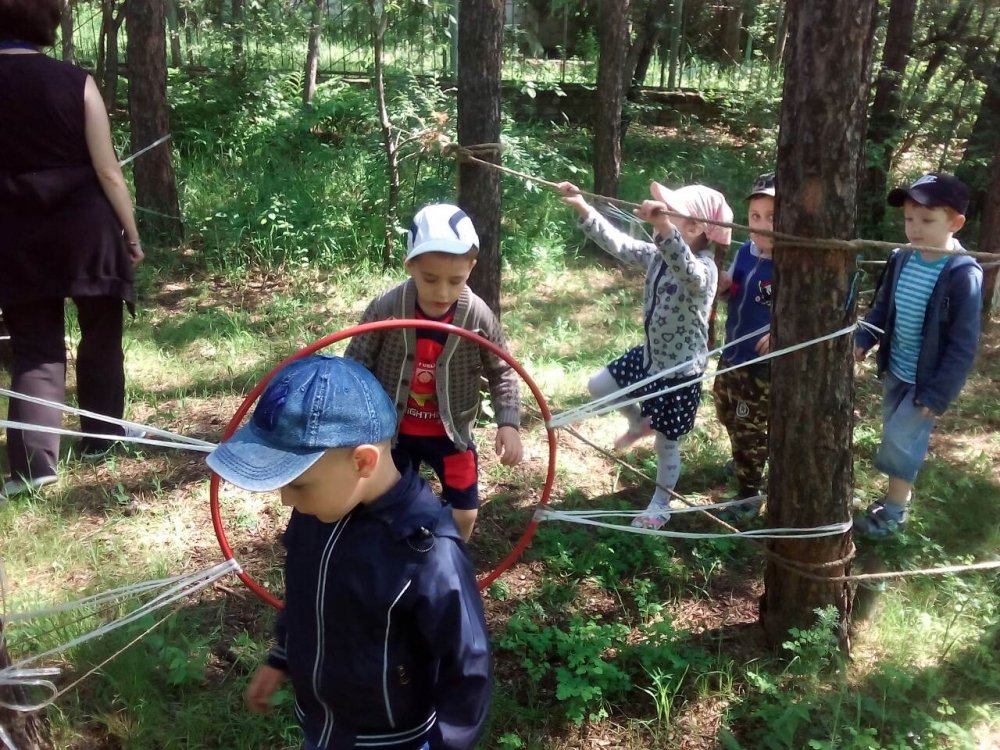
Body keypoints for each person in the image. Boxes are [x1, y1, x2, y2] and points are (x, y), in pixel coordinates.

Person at [207, 355, 492, 750]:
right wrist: (281, 658)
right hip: (322, 727)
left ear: (362, 461)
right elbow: (305, 593)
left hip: (393, 740)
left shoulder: (427, 552)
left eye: (299, 484)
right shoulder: (316, 513)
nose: (286, 497)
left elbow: (469, 663)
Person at [0, 0, 144, 499]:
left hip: (15, 234)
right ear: (47, 22)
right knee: (100, 334)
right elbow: (108, 170)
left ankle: (32, 467)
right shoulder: (74, 80)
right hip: (87, 229)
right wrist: (131, 232)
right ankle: (102, 437)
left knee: (35, 346)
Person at [345, 204, 523, 541]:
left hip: (451, 435)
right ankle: (391, 561)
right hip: (392, 433)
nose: (442, 292)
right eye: (430, 279)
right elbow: (356, 362)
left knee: (464, 510)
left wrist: (509, 423)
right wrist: (355, 420)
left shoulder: (477, 316)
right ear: (410, 265)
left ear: (471, 267)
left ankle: (451, 563)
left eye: (455, 280)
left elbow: (503, 371)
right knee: (383, 502)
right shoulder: (388, 307)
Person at [558, 180, 730, 529]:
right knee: (599, 386)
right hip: (651, 357)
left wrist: (664, 228)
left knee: (666, 445)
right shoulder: (656, 253)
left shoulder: (706, 271)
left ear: (695, 228)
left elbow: (687, 271)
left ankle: (661, 504)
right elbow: (618, 243)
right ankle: (639, 422)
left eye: (671, 212)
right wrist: (581, 206)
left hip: (680, 374)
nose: (660, 215)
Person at [854, 173, 982, 537]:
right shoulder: (901, 258)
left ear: (955, 223)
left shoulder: (962, 273)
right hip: (897, 370)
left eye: (927, 220)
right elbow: (883, 307)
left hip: (926, 381)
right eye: (910, 219)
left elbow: (963, 342)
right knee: (897, 436)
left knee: (899, 440)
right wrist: (865, 336)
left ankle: (893, 513)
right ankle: (895, 499)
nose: (915, 229)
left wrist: (940, 392)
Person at [712, 172, 775, 521]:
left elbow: (803, 311)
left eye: (772, 218)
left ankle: (749, 492)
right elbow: (733, 294)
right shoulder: (745, 253)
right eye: (755, 217)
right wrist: (723, 288)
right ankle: (743, 457)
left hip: (761, 364)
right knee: (724, 408)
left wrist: (783, 329)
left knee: (749, 424)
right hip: (731, 353)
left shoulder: (793, 264)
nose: (762, 225)